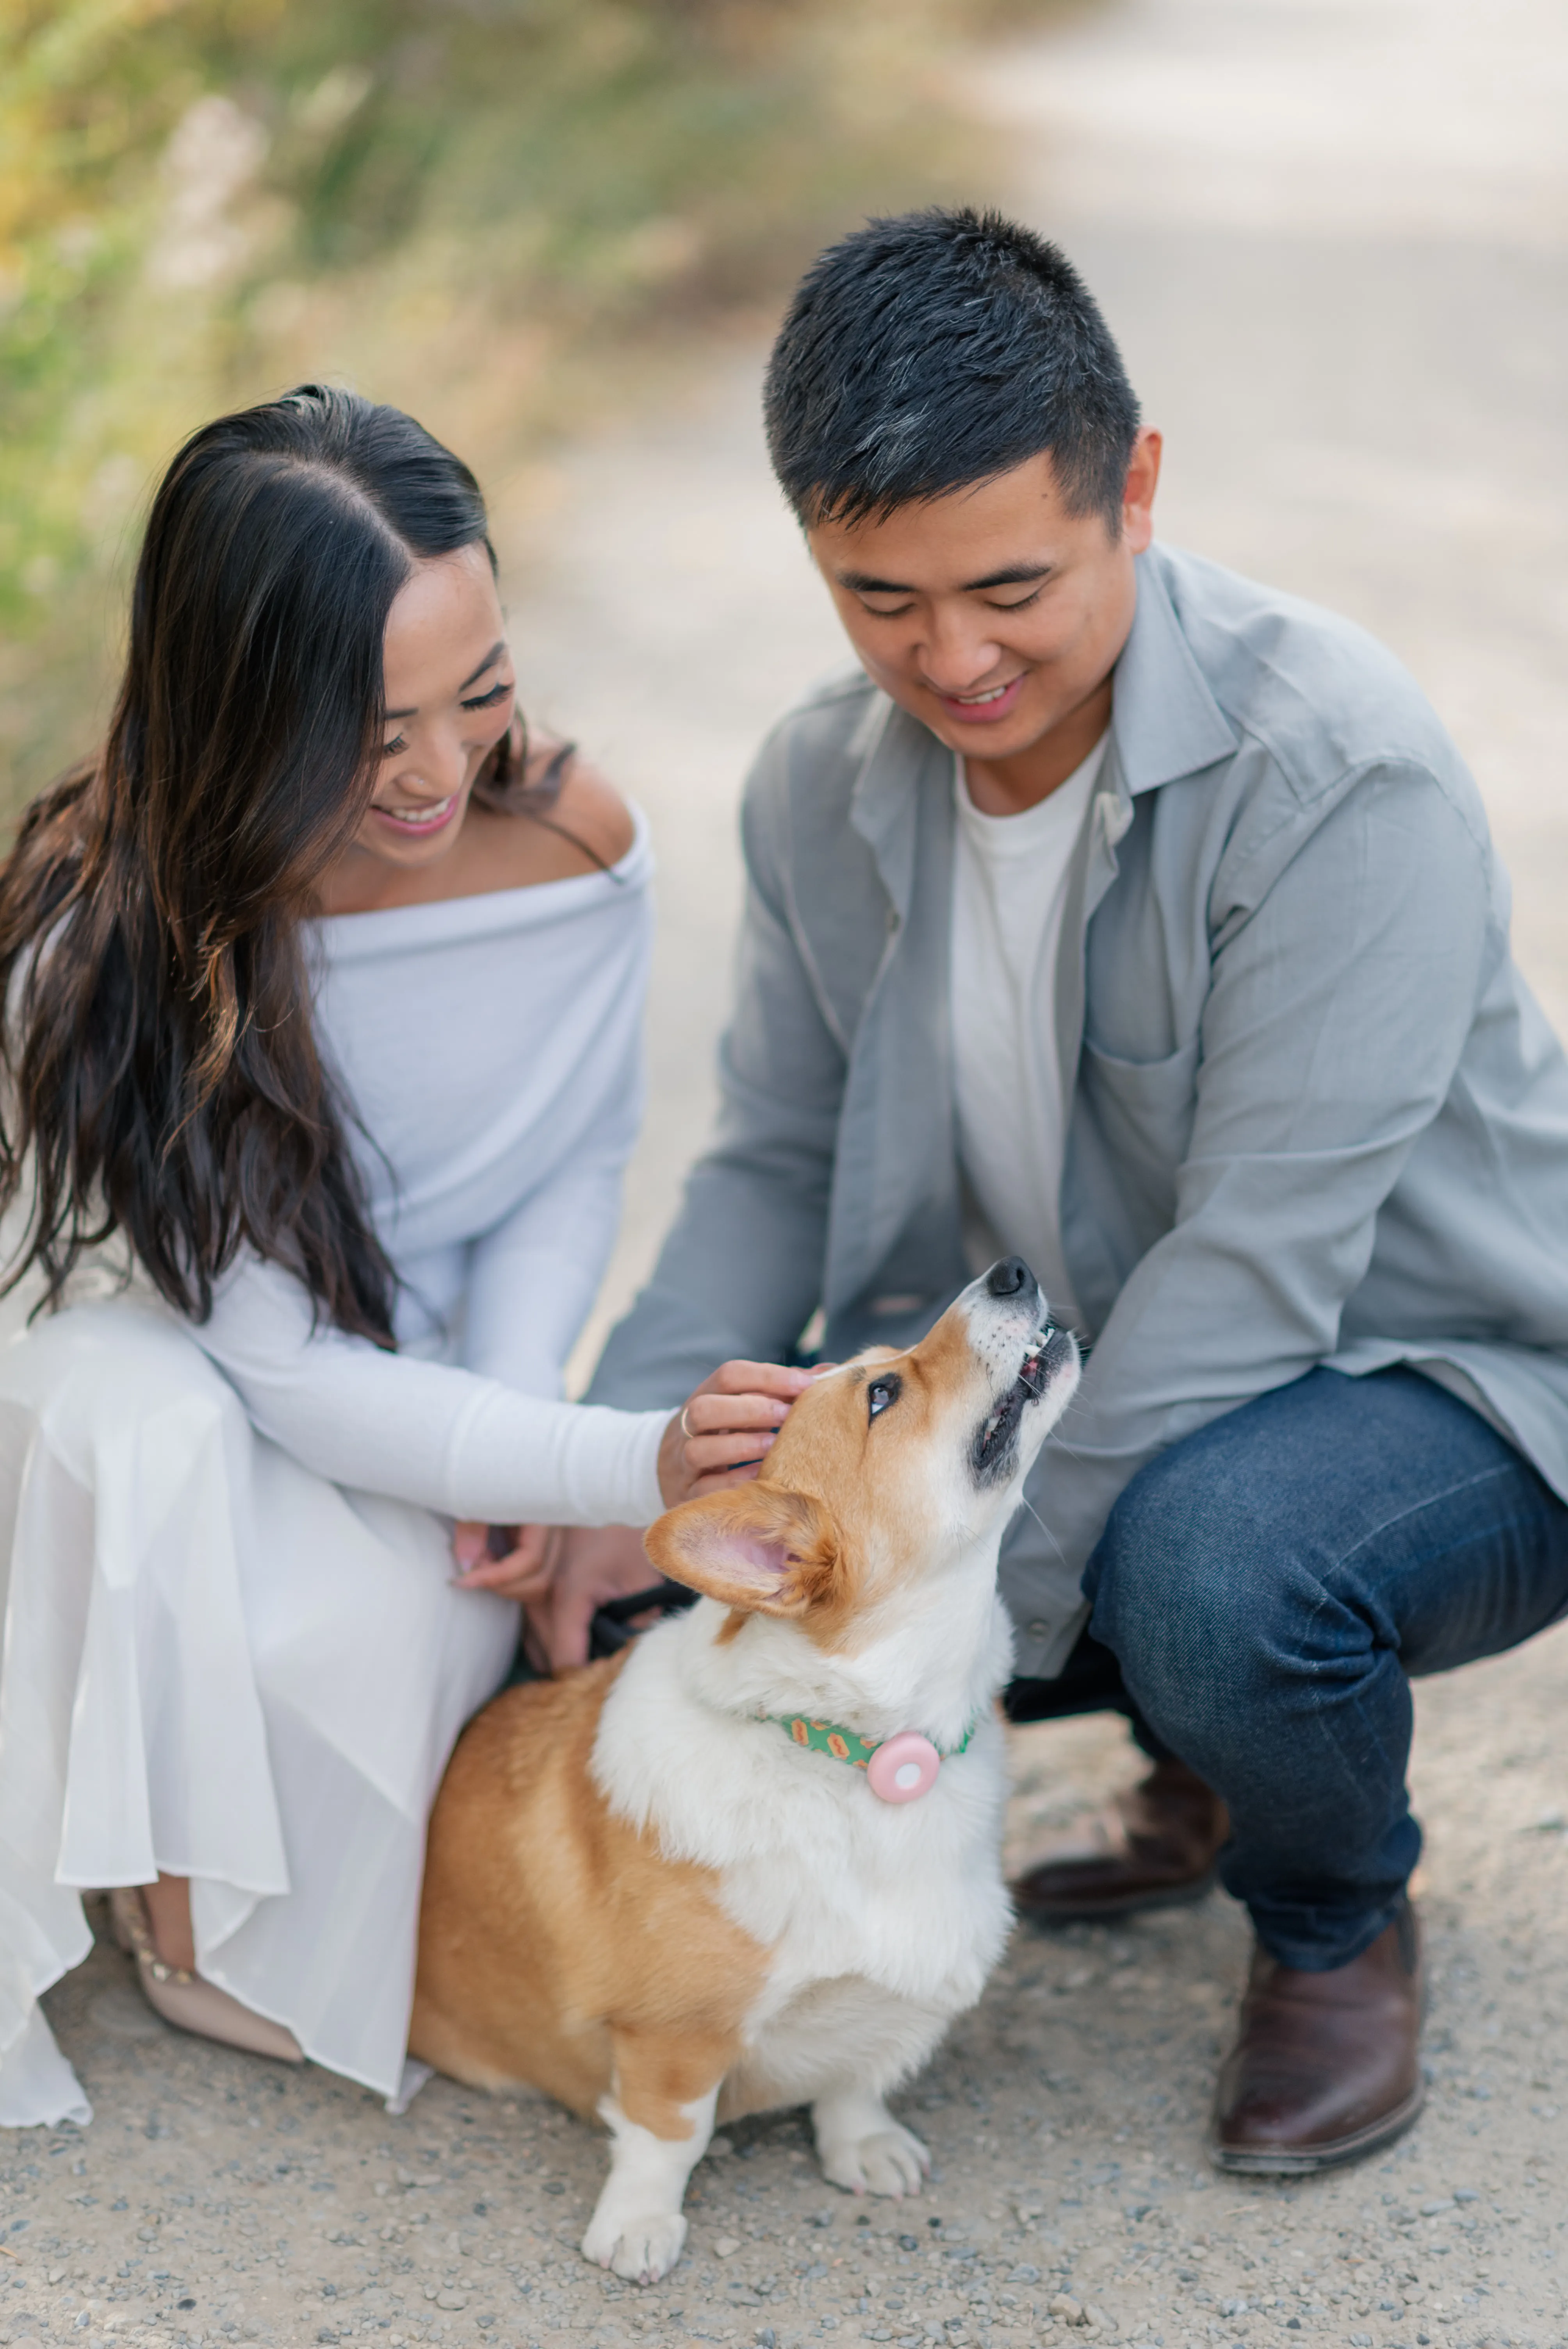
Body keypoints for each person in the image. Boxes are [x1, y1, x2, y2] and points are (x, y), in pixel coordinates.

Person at [550, 210, 1568, 2174]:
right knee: (658, 1605)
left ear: (1137, 492)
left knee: (1209, 1571)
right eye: (877, 600)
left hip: (1446, 1385)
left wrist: (922, 1621)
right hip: (1088, 1390)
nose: (951, 659)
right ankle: (1208, 1754)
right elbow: (764, 1152)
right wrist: (623, 1473)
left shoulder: (1332, 774)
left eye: (1010, 585)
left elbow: (1257, 1284)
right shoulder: (816, 789)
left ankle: (1331, 1915)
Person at [0, 386, 806, 2130]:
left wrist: (512, 1413)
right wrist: (620, 1459)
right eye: (372, 732)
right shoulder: (115, 948)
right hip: (185, 1362)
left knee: (423, 1618)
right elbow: (277, 1366)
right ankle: (178, 1905)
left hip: (420, 1355)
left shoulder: (573, 840)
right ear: (242, 715)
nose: (441, 773)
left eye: (481, 690)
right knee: (177, 1471)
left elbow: (562, 1157)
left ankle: (281, 1849)